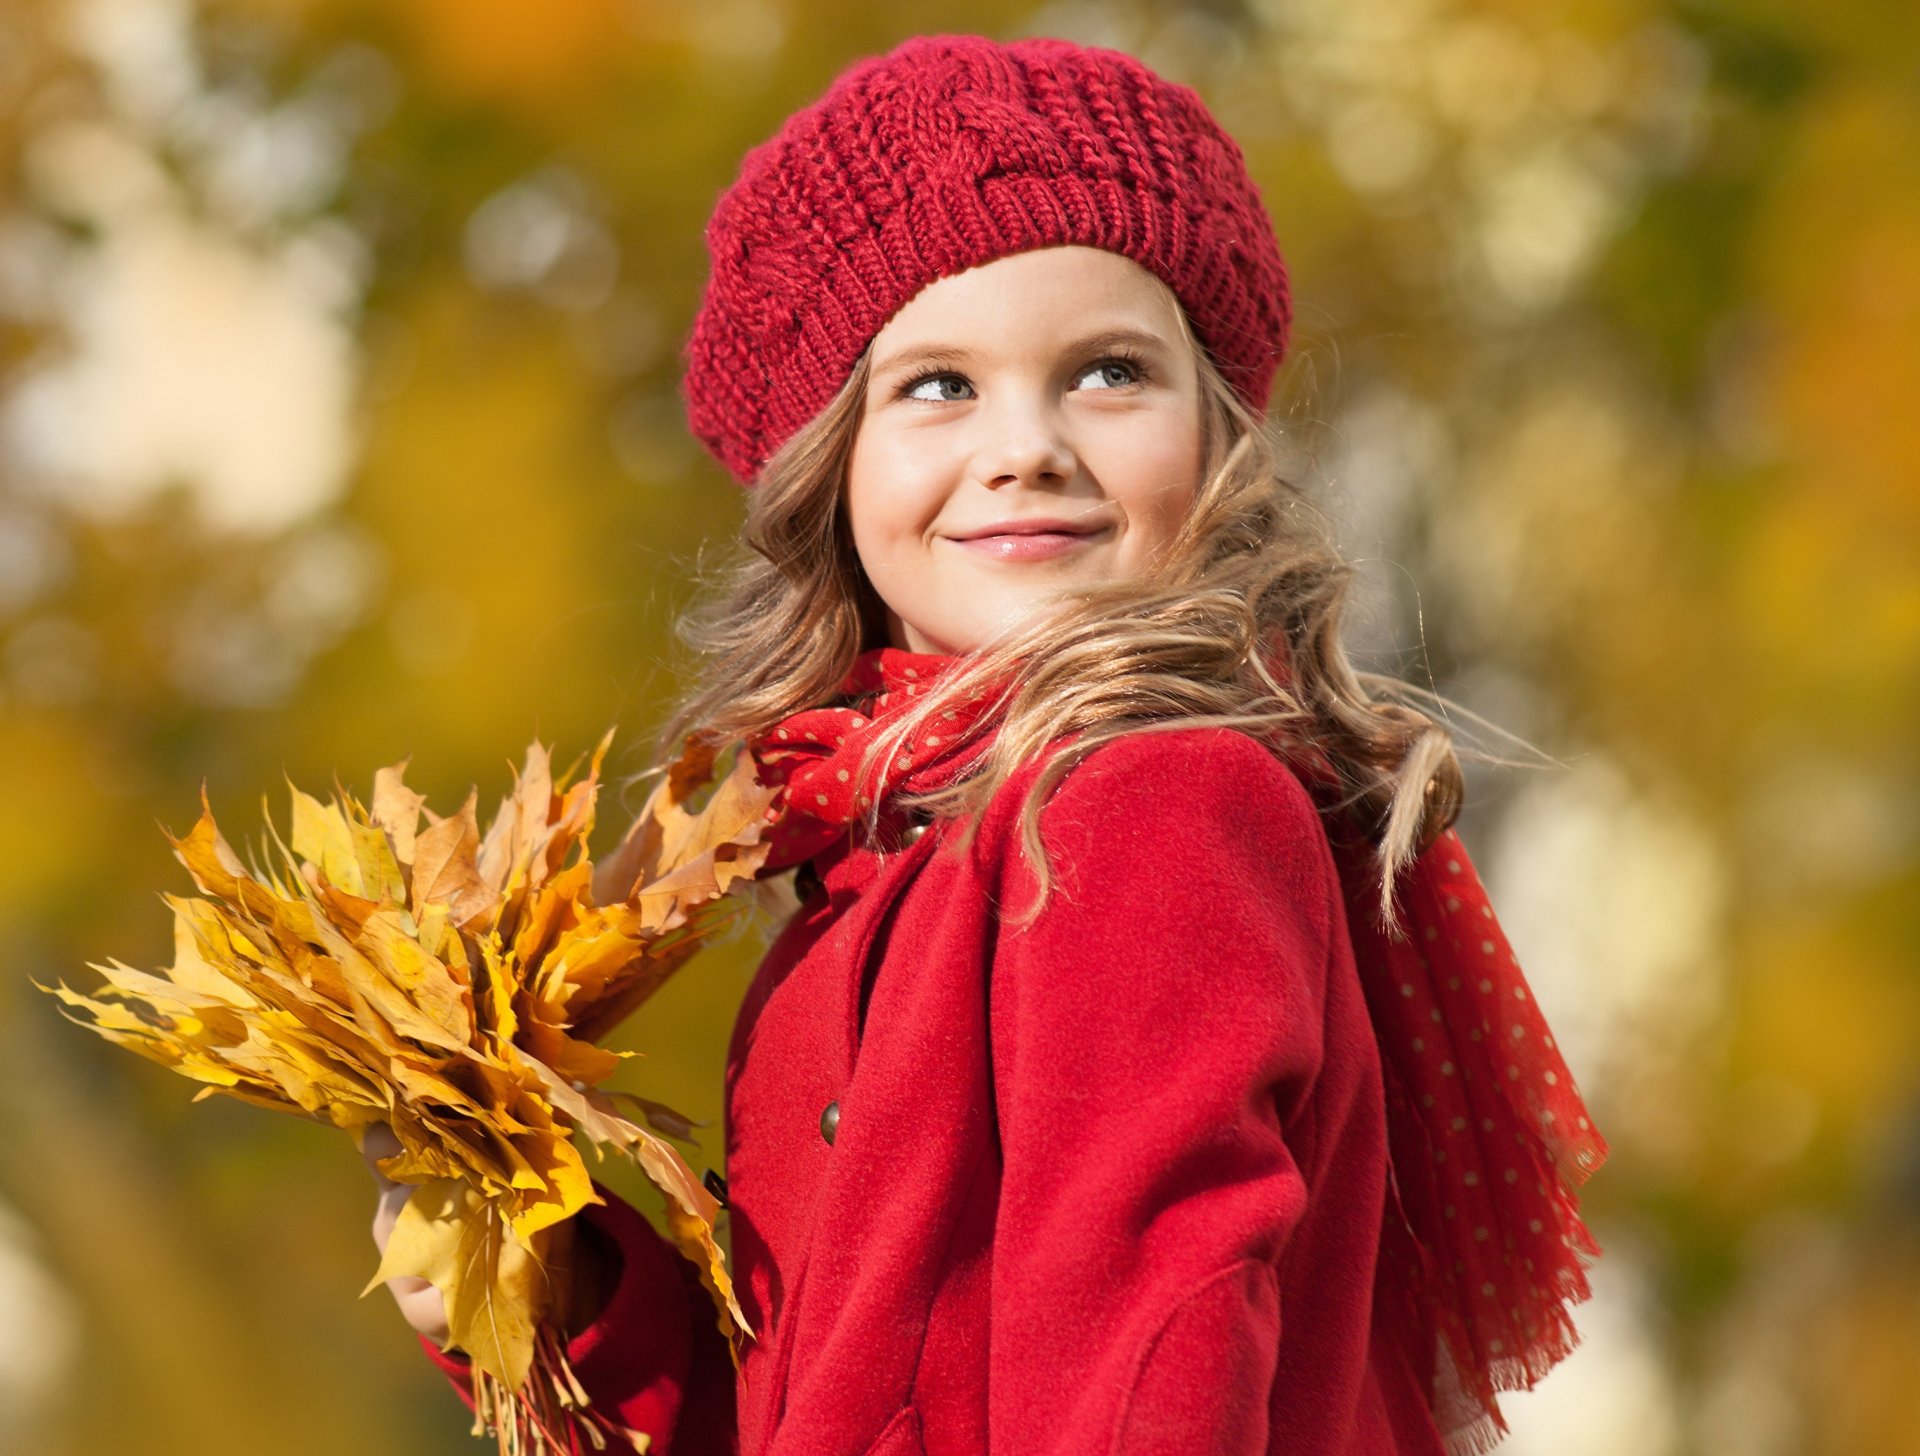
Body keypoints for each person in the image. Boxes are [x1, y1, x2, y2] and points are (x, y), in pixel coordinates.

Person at [361, 32, 1608, 1456]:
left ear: (1218, 432)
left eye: (1109, 373)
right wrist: (557, 1294)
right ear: (832, 466)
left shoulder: (1150, 806)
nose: (1027, 446)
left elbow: (1163, 1345)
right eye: (937, 387)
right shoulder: (858, 873)